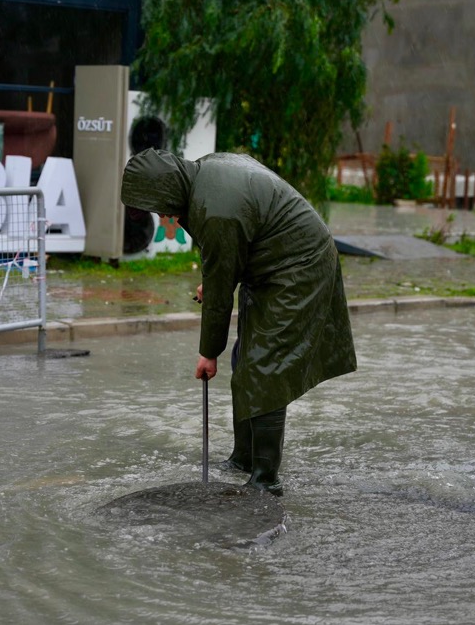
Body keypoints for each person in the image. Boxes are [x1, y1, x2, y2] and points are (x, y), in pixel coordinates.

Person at [121, 149, 357, 496]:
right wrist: (219, 276)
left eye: (158, 206)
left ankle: (266, 478)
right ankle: (244, 457)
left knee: (266, 366)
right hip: (270, 261)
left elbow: (219, 292)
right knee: (246, 358)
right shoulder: (204, 176)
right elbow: (226, 257)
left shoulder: (216, 209)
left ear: (168, 189)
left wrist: (208, 354)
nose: (162, 214)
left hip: (300, 265)